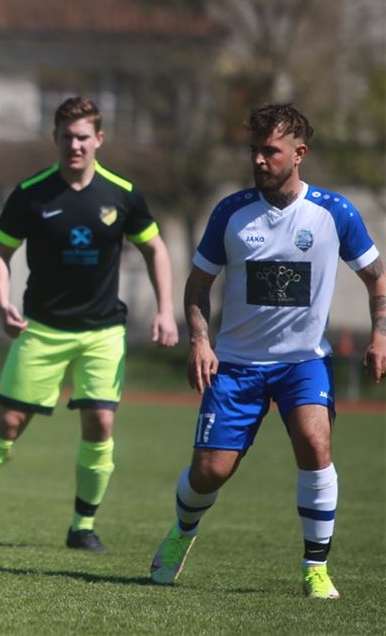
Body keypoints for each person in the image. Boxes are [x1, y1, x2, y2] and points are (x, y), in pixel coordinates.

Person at [149, 103, 384, 599]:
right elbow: (196, 287)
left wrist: (380, 333)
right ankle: (181, 534)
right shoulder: (231, 213)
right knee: (209, 473)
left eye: (269, 151)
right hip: (236, 365)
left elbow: (376, 279)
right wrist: (199, 339)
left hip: (304, 362)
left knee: (315, 446)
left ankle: (315, 568)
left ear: (299, 154)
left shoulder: (334, 212)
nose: (258, 160)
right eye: (253, 150)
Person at [0, 96, 178, 550]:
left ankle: (83, 527)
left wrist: (165, 309)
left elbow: (156, 248)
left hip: (103, 332)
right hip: (40, 329)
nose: (75, 146)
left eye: (83, 137)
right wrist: (2, 301)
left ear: (99, 139)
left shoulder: (122, 193)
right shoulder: (31, 194)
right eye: (67, 137)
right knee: (7, 424)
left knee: (100, 422)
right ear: (55, 139)